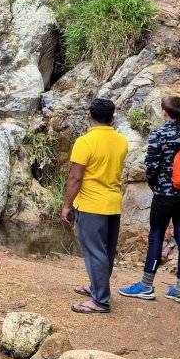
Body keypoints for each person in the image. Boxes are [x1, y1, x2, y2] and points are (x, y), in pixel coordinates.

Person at [119, 94, 180, 304]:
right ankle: (179, 289)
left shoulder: (159, 134)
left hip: (164, 195)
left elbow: (152, 166)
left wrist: (158, 184)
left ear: (164, 112)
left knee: (156, 235)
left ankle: (146, 286)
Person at [62, 98, 129, 314]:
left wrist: (66, 205)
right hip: (112, 204)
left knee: (94, 253)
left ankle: (100, 300)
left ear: (89, 115)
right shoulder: (121, 141)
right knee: (106, 252)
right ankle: (95, 288)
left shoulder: (85, 142)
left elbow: (75, 178)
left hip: (91, 204)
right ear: (113, 117)